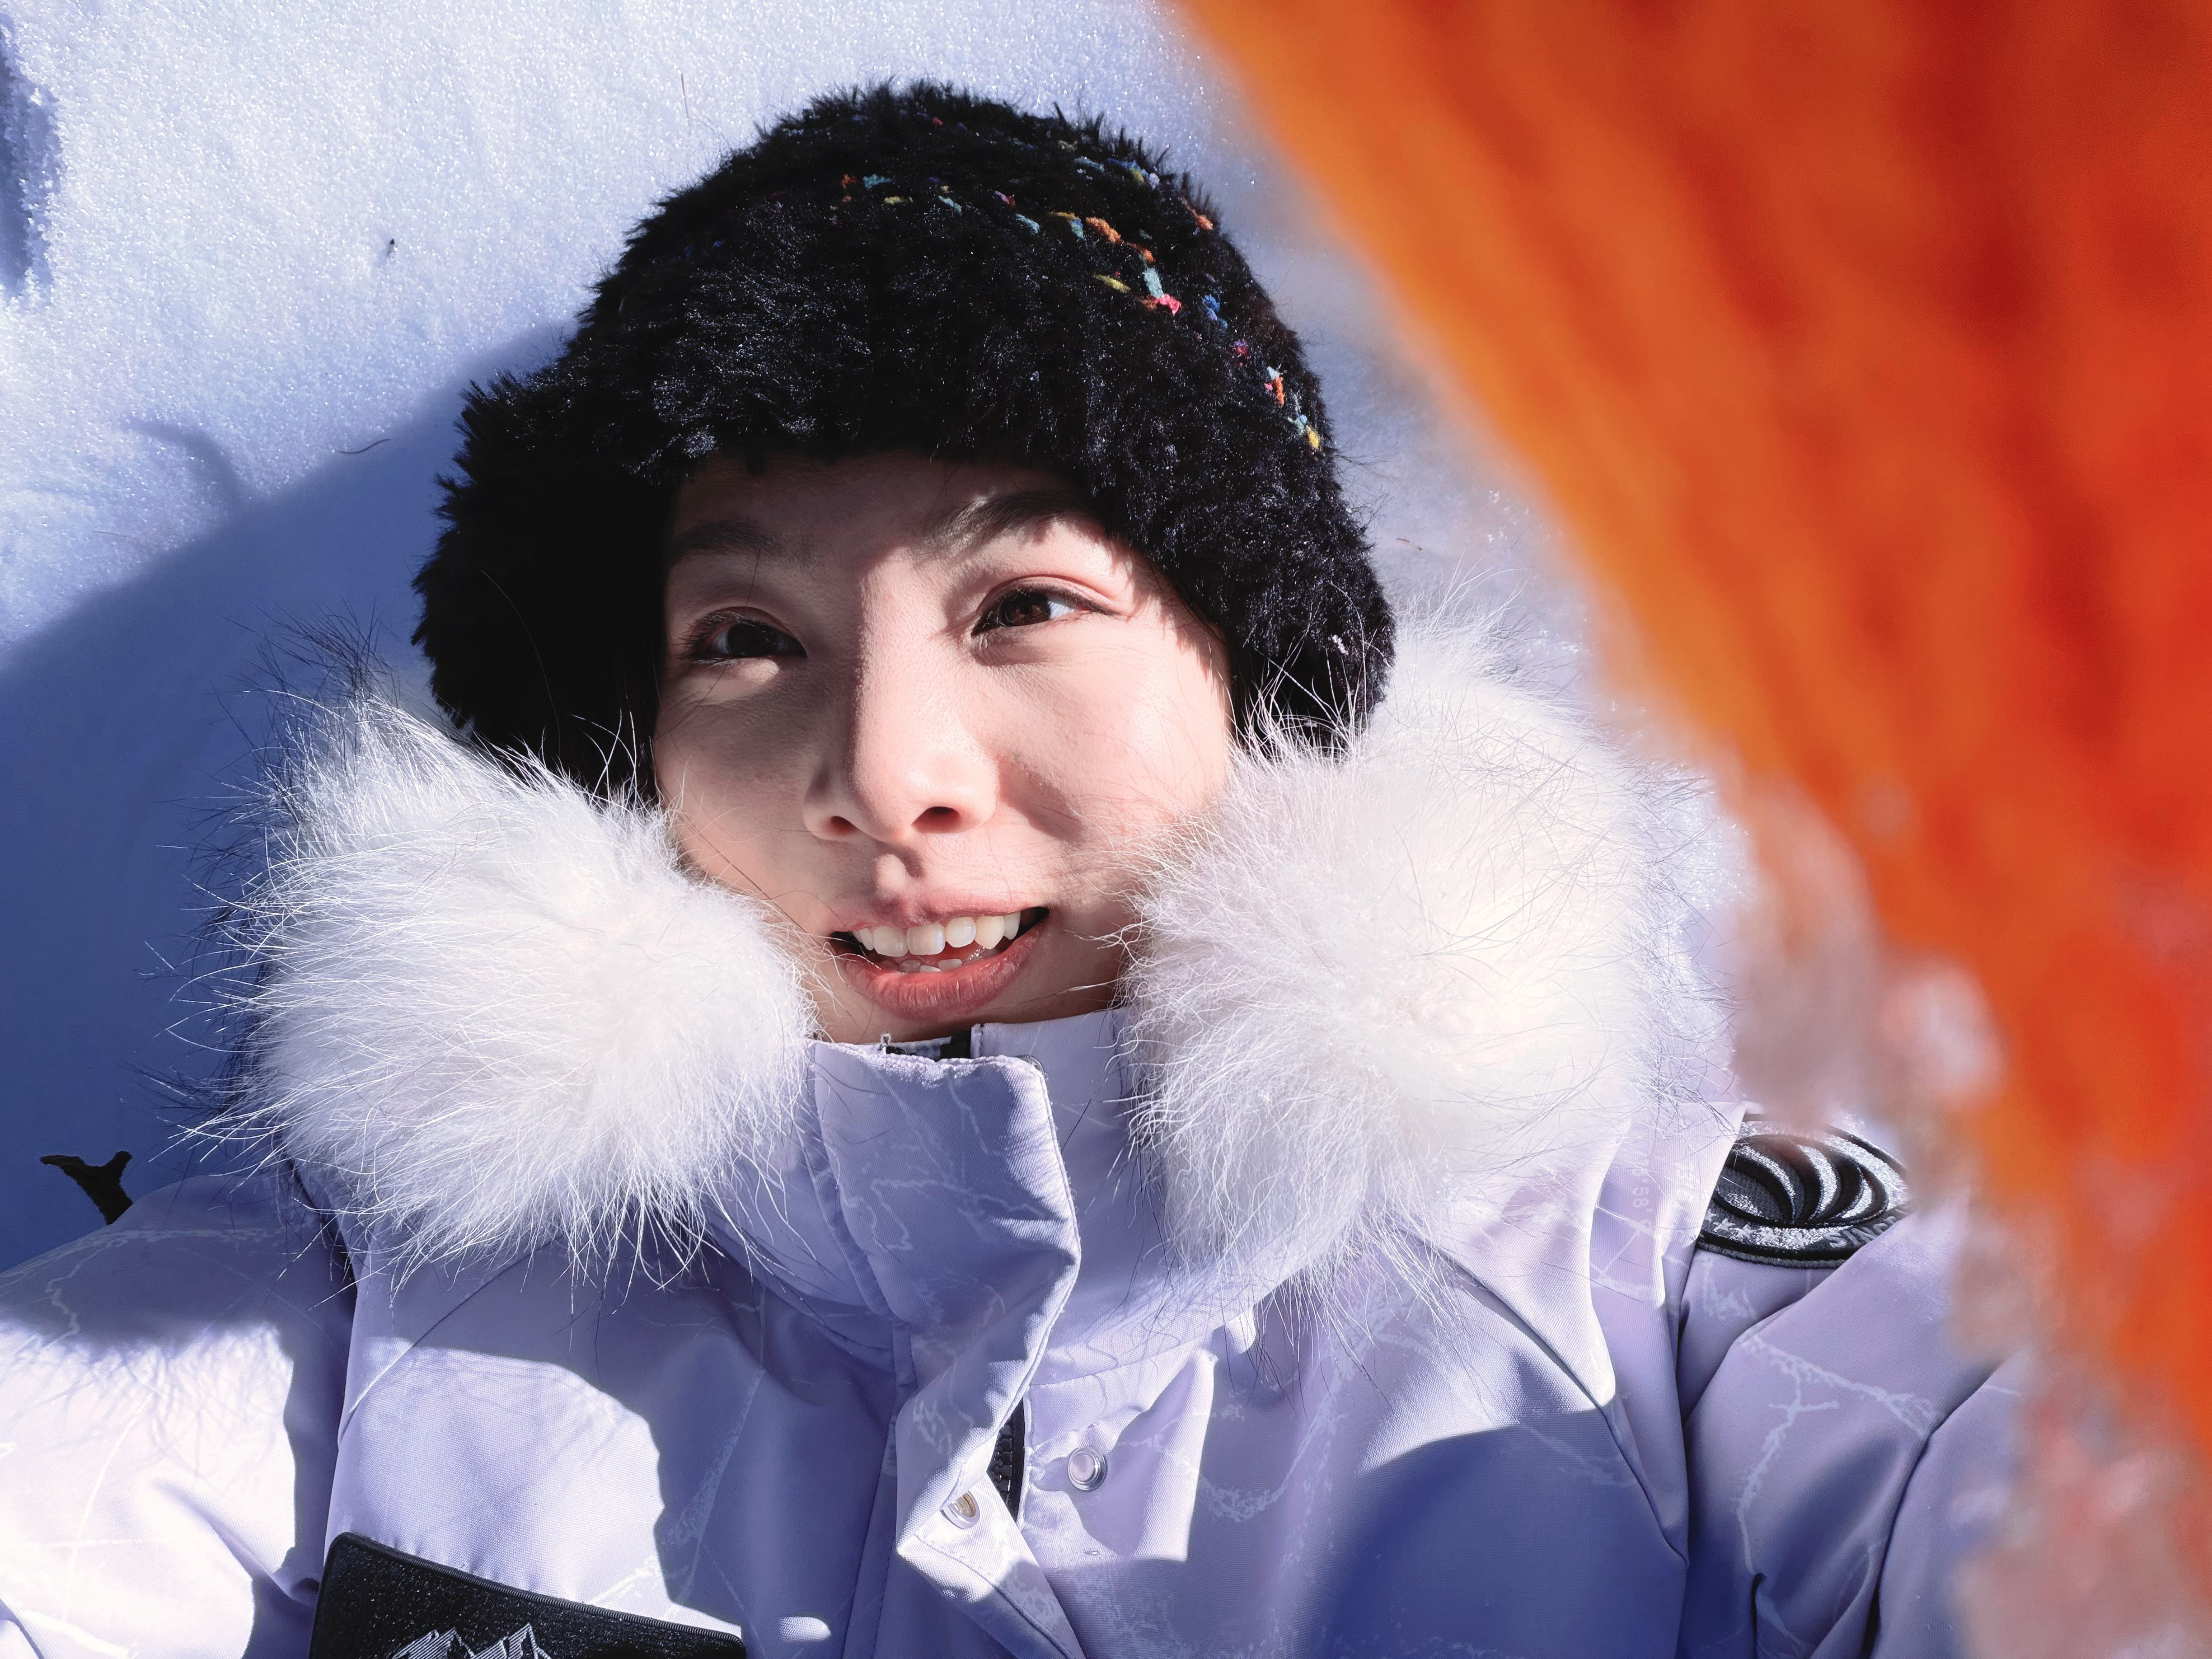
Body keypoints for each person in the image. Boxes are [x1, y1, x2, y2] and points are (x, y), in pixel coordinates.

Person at [0, 84, 2018, 1659]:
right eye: (747, 641)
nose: (887, 778)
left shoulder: (1646, 1278)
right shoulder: (371, 1301)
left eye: (1026, 607)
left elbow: (2048, 1488)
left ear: (1256, 669)